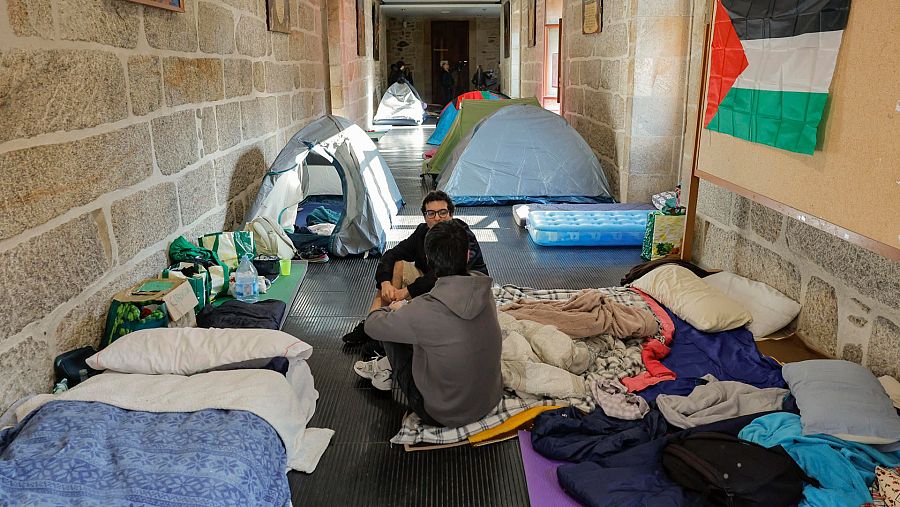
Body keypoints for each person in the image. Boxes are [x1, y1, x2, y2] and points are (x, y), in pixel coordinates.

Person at [352, 220, 502, 428]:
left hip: (444, 414)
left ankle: (386, 371)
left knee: (392, 330)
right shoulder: (483, 288)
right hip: (490, 399)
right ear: (468, 255)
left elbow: (371, 326)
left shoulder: (424, 309)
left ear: (429, 262)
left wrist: (391, 307)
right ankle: (386, 363)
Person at [341, 190, 488, 349]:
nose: (437, 218)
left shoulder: (460, 235)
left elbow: (444, 275)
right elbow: (391, 254)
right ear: (425, 217)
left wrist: (407, 291)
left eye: (442, 212)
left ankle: (384, 330)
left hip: (460, 286)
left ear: (451, 214)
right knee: (397, 264)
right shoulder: (422, 232)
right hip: (433, 282)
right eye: (431, 213)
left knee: (428, 284)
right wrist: (385, 283)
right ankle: (373, 323)